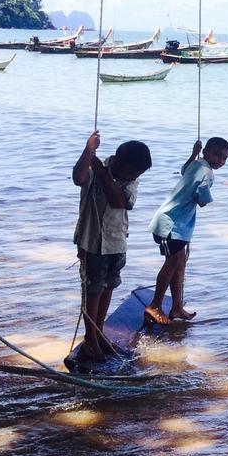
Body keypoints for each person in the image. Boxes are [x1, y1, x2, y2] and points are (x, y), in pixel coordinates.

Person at [72, 132, 153, 362]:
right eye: (133, 171)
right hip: (92, 242)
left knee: (108, 287)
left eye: (138, 174)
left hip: (117, 241)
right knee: (93, 290)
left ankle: (97, 333)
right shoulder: (94, 167)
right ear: (117, 161)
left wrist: (103, 175)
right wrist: (89, 150)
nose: (135, 176)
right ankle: (90, 339)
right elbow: (78, 178)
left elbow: (121, 202)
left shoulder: (129, 179)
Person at [145, 136, 228, 325]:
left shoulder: (197, 163)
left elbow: (184, 170)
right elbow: (203, 200)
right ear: (206, 151)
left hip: (177, 225)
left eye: (224, 158)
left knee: (180, 261)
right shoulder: (206, 171)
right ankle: (155, 305)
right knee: (173, 261)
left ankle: (176, 307)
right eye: (217, 155)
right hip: (171, 225)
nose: (220, 161)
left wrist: (193, 154)